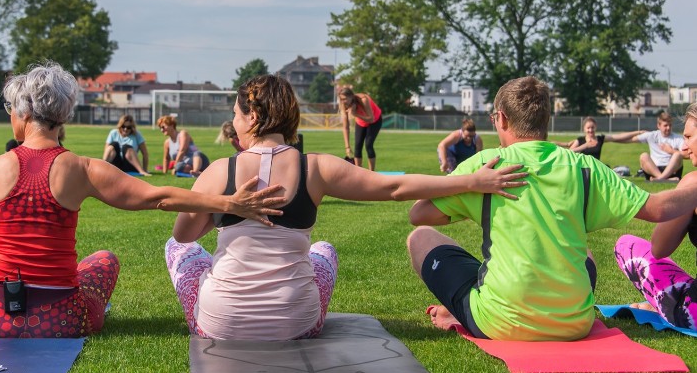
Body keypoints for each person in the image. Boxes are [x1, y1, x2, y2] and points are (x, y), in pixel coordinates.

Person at [0, 62, 287, 339]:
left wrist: (6, 208)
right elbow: (157, 197)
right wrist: (229, 204)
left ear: (25, 113)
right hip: (64, 321)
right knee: (103, 260)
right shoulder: (82, 168)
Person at [165, 74, 526, 341]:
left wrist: (223, 209)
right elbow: (395, 186)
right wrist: (471, 181)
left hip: (220, 325)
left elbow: (183, 235)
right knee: (323, 252)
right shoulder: (316, 167)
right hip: (298, 323)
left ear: (254, 118)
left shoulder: (218, 172)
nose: (236, 124)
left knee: (179, 251)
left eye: (238, 116)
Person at [406, 76, 697, 341]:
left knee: (420, 238)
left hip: (500, 322)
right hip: (574, 323)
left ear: (502, 119)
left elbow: (419, 214)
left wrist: (470, 184)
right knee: (584, 252)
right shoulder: (585, 167)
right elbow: (658, 209)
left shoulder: (486, 165)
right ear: (546, 118)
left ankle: (465, 309)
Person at [614, 102, 697, 328]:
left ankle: (662, 303)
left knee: (626, 245)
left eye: (689, 137)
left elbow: (659, 247)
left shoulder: (693, 184)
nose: (685, 147)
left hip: (695, 312)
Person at [338, 87, 382, 171]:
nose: (343, 101)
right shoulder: (343, 105)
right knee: (357, 146)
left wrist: (355, 114)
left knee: (368, 144)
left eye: (344, 99)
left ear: (351, 96)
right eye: (341, 99)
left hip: (375, 120)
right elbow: (346, 127)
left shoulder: (363, 100)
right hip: (361, 122)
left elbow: (371, 118)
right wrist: (347, 147)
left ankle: (371, 172)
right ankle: (358, 172)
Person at [633, 112, 685, 181]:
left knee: (678, 154)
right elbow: (629, 139)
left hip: (671, 170)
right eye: (665, 125)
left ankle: (660, 178)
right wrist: (613, 138)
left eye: (670, 125)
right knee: (643, 156)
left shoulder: (678, 138)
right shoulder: (652, 135)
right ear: (659, 125)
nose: (668, 128)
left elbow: (687, 154)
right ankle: (663, 178)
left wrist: (671, 151)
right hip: (654, 169)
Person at [566, 116, 646, 161]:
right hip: (583, 168)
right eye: (588, 128)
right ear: (584, 129)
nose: (590, 130)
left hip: (597, 168)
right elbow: (568, 152)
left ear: (596, 127)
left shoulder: (600, 139)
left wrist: (638, 132)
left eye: (592, 127)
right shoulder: (580, 140)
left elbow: (619, 136)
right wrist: (585, 146)